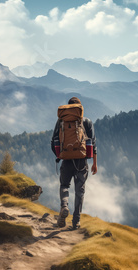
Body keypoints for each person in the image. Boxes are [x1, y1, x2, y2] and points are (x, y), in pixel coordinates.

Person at [51, 97, 97, 229]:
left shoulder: (61, 122)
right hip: (82, 162)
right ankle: (76, 221)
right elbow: (93, 144)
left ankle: (64, 206)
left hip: (66, 160)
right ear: (80, 108)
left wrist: (60, 156)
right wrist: (94, 163)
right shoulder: (86, 122)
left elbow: (53, 141)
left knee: (64, 185)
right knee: (80, 191)